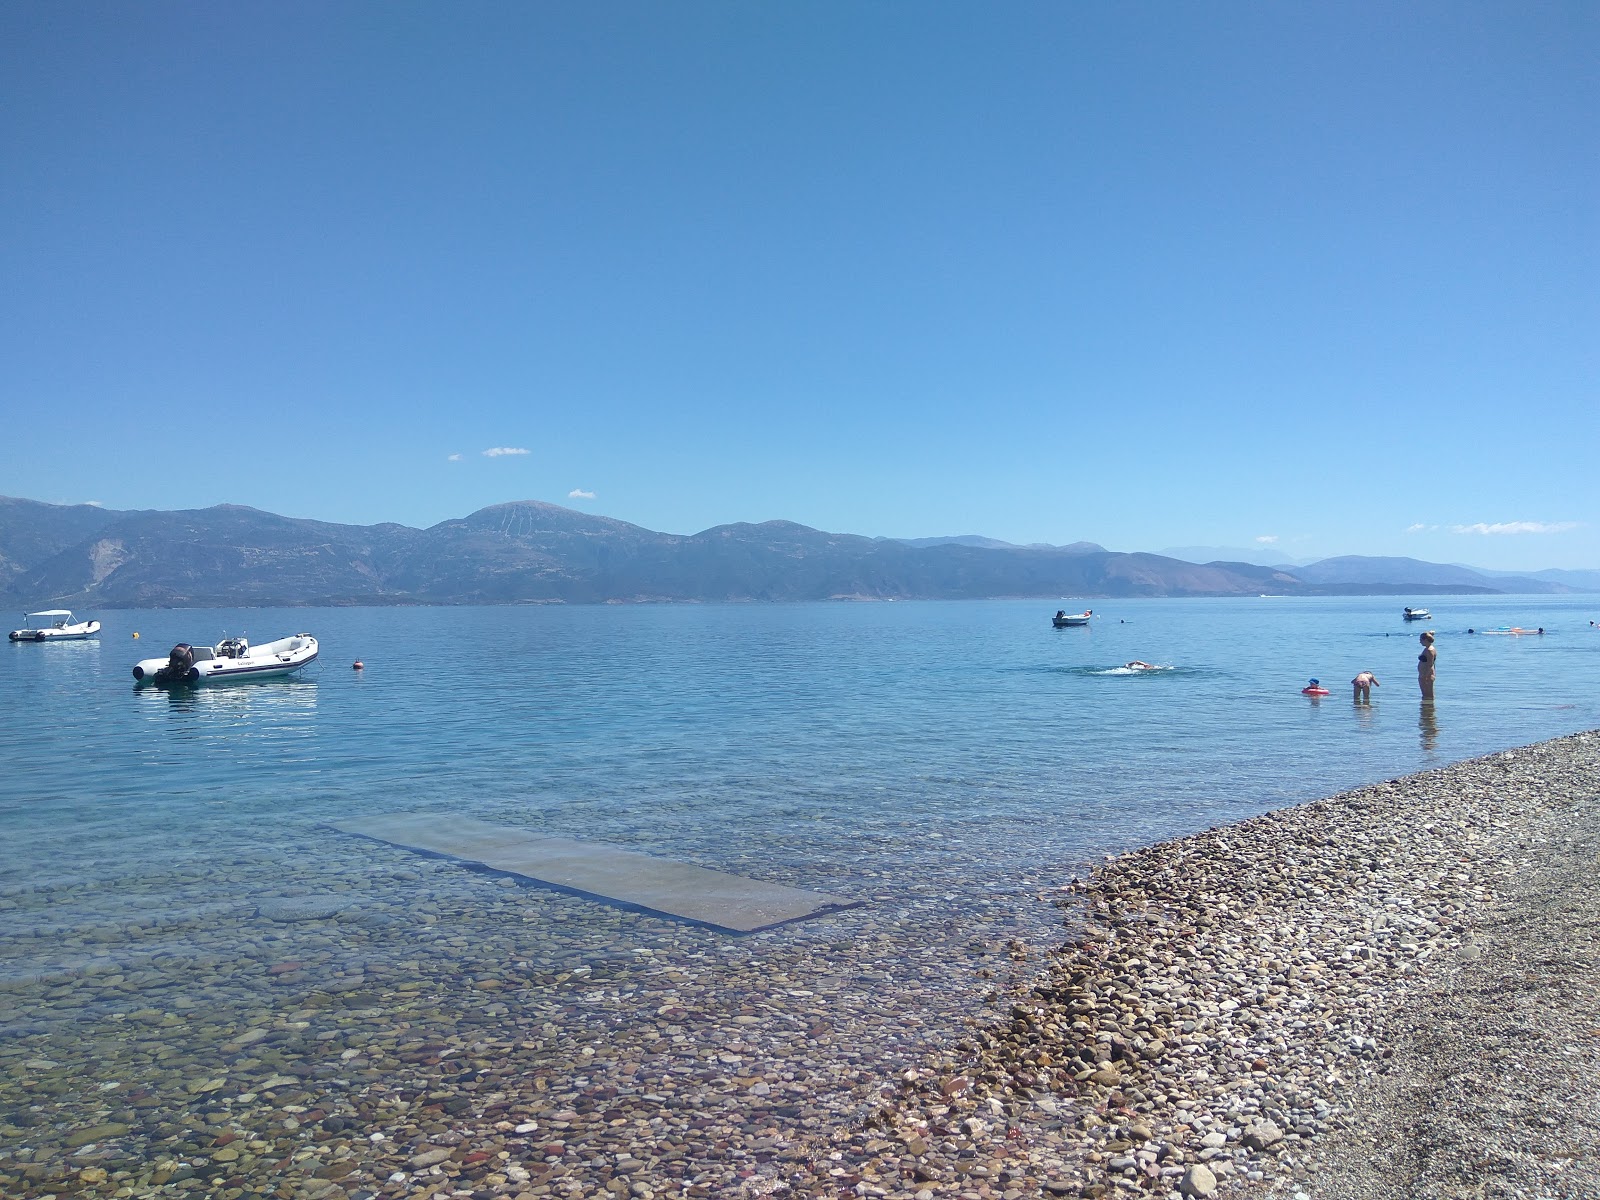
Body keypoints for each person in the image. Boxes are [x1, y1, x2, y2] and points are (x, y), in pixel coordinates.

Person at [1417, 630, 1436, 700]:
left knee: (1428, 695)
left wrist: (1426, 676)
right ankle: (1425, 709)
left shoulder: (1430, 650)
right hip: (1423, 674)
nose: (1420, 642)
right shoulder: (1427, 649)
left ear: (1425, 640)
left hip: (1427, 675)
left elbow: (1430, 664)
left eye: (1421, 640)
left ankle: (1429, 709)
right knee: (1425, 695)